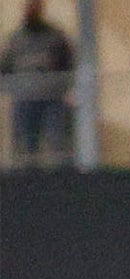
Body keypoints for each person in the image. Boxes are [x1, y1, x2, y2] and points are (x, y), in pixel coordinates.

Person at [3, 0, 74, 167]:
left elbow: (68, 64)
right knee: (24, 148)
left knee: (56, 144)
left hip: (51, 100)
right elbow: (5, 67)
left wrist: (61, 87)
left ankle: (61, 179)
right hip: (24, 100)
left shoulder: (55, 36)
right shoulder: (15, 39)